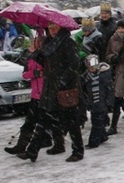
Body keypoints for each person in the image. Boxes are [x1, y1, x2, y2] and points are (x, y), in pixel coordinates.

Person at [17, 21, 84, 163]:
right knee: (44, 119)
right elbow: (43, 62)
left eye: (55, 27)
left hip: (65, 90)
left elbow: (74, 65)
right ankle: (32, 151)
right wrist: (35, 52)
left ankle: (78, 151)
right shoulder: (49, 43)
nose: (53, 30)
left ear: (61, 28)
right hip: (50, 88)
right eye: (50, 27)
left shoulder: (68, 42)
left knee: (71, 122)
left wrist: (62, 81)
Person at [82, 55, 114, 148]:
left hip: (101, 101)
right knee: (96, 121)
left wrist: (109, 103)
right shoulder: (87, 75)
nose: (91, 68)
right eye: (89, 66)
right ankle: (102, 136)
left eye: (92, 66)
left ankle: (93, 142)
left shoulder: (104, 74)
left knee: (97, 122)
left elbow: (110, 89)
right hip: (93, 101)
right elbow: (82, 84)